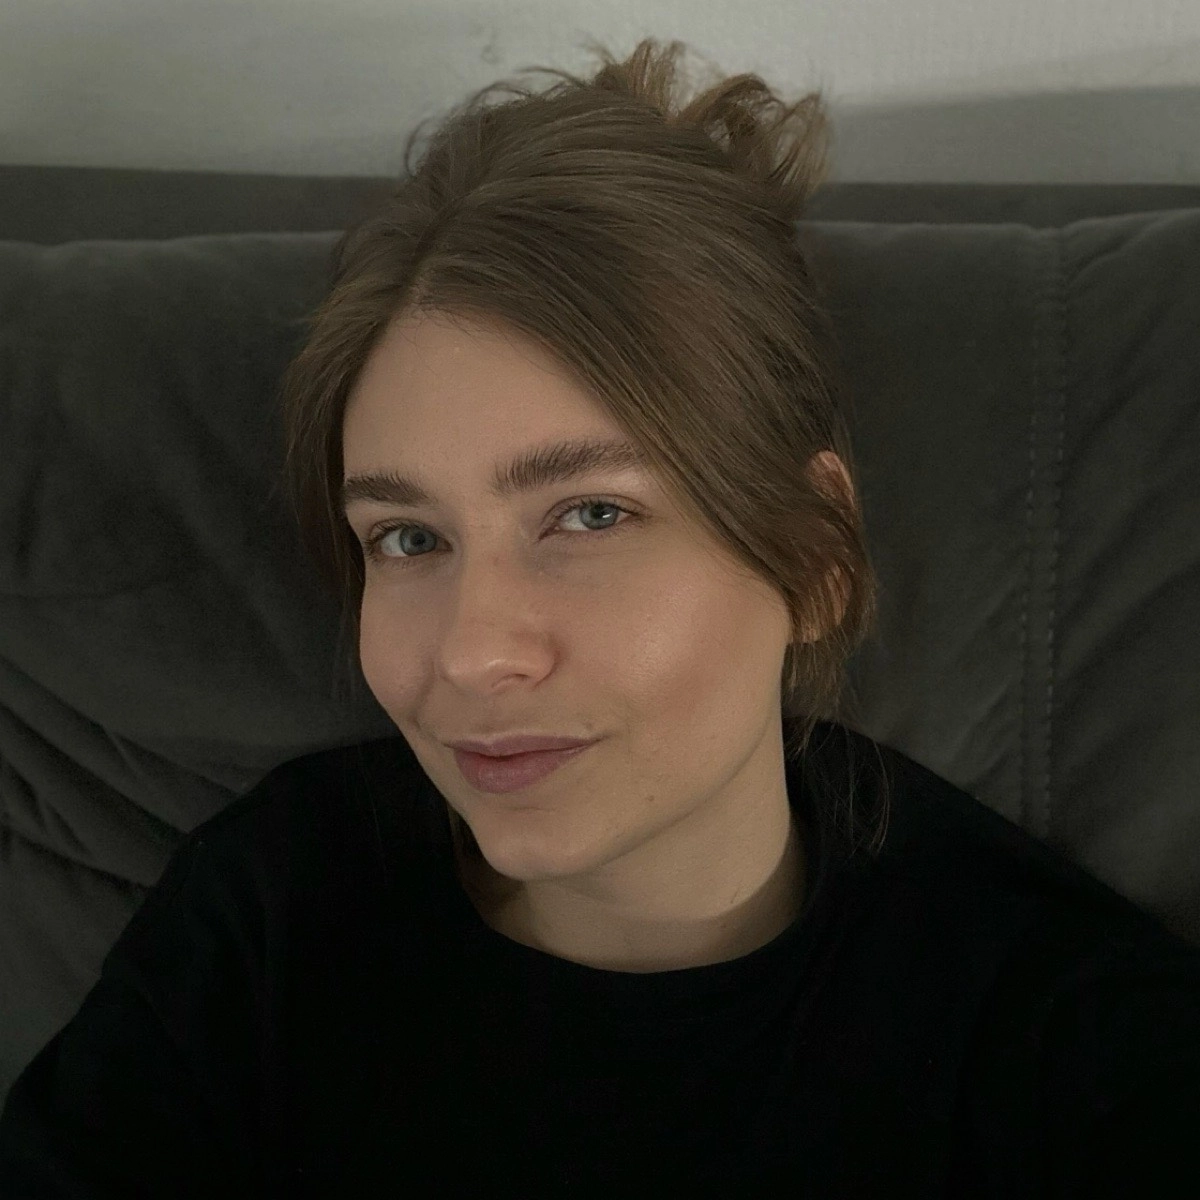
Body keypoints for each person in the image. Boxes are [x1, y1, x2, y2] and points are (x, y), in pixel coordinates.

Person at [2, 35, 1198, 1197]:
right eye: (408, 537)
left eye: (590, 515)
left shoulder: (1072, 1048)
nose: (472, 652)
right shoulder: (270, 918)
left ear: (816, 556)